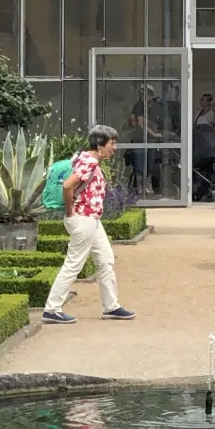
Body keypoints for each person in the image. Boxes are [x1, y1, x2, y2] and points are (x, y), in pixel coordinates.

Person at [42, 125, 136, 324]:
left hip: (91, 219)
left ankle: (111, 306)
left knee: (106, 259)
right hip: (83, 219)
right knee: (74, 263)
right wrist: (70, 211)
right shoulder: (90, 162)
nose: (115, 147)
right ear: (100, 144)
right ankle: (52, 309)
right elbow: (68, 185)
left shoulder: (84, 158)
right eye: (112, 143)